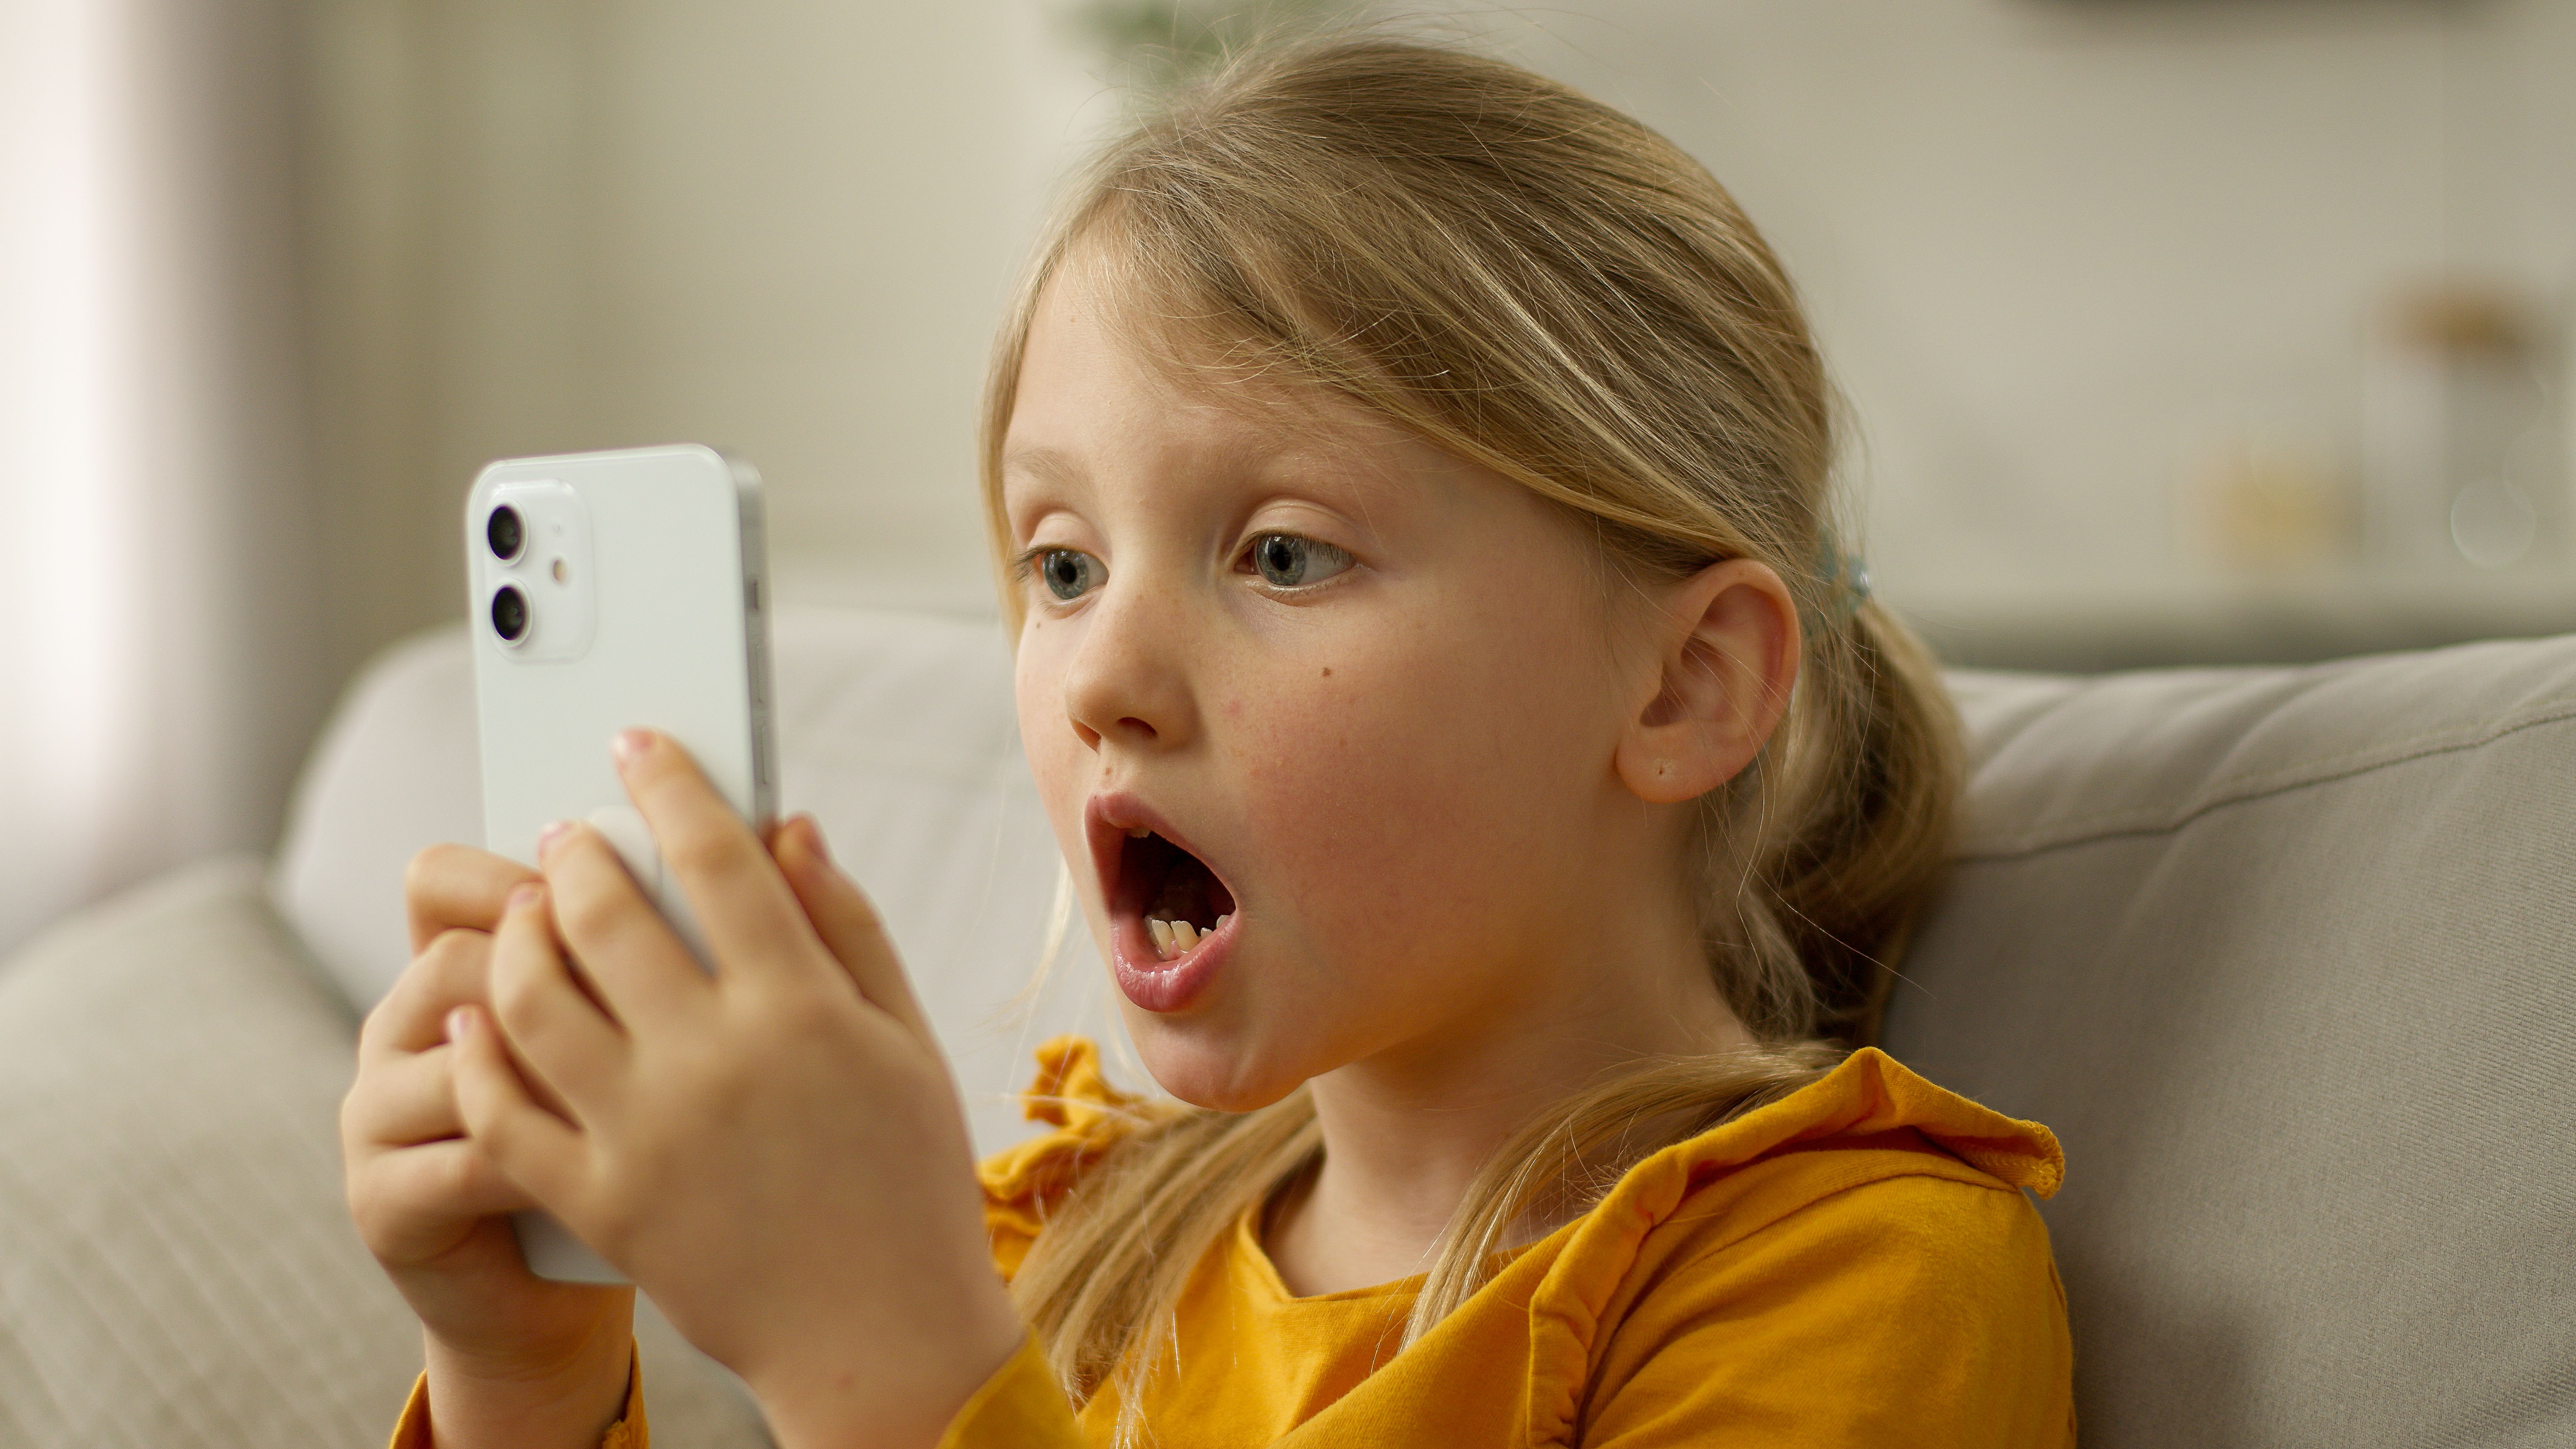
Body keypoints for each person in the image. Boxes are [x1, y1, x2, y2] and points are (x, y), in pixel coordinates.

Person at [343, 35, 2074, 1449]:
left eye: (1284, 554)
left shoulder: (1849, 1273)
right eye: (1064, 565)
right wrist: (533, 1377)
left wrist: (883, 1364)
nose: (1103, 675)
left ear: (1685, 686)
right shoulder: (1072, 1246)